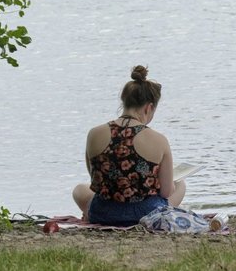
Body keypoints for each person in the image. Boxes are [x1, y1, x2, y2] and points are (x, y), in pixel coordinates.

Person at [71, 65, 186, 226]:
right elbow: (166, 192)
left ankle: (91, 214)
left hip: (103, 213)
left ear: (124, 102)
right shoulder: (159, 140)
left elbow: (95, 181)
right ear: (149, 107)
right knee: (180, 184)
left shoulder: (94, 133)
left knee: (79, 190)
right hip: (148, 214)